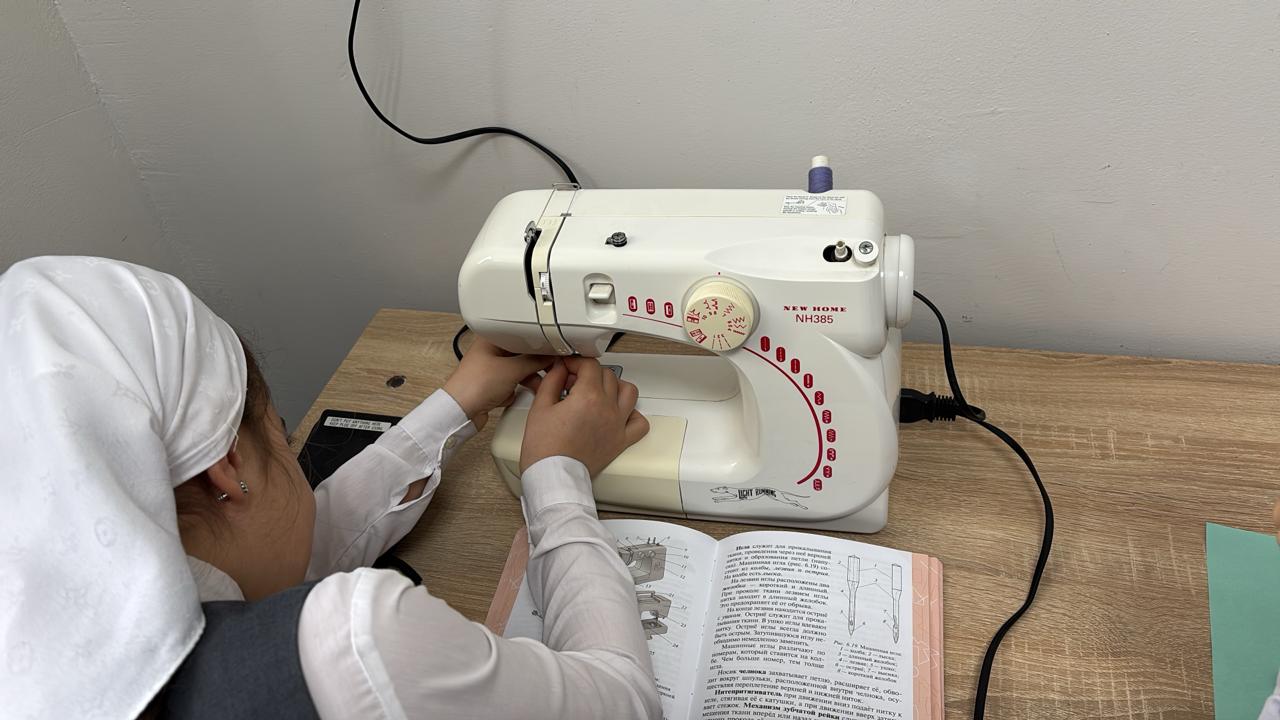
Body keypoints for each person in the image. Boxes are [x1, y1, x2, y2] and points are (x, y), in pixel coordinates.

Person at [0, 256, 660, 719]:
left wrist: (454, 405)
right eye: (280, 434)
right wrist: (558, 472)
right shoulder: (360, 643)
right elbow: (625, 700)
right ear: (228, 469)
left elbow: (276, 555)